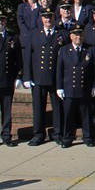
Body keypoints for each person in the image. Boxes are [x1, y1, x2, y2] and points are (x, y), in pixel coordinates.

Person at [23, 8, 64, 146]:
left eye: (50, 17)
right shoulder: (34, 35)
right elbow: (28, 56)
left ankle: (57, 133)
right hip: (38, 77)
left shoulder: (62, 34)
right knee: (38, 107)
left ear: (54, 17)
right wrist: (27, 77)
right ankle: (38, 134)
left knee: (57, 107)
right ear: (41, 19)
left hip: (55, 78)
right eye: (45, 17)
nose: (48, 20)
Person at [56, 25, 95, 148]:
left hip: (85, 87)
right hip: (69, 88)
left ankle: (88, 137)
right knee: (68, 115)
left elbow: (94, 70)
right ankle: (67, 138)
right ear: (71, 36)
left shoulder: (89, 50)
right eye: (75, 35)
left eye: (80, 34)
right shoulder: (64, 50)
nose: (78, 37)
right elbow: (59, 70)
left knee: (87, 115)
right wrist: (59, 87)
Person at [0, 11, 22, 146]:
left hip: (7, 80)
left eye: (2, 20)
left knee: (7, 110)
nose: (0, 22)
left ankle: (6, 136)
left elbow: (18, 59)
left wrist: (19, 75)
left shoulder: (12, 38)